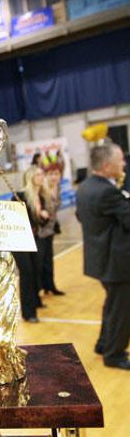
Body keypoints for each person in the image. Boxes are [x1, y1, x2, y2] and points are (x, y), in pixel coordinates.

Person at [76, 143, 130, 370]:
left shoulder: (85, 187)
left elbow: (80, 216)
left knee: (113, 306)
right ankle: (114, 355)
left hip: (101, 258)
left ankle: (103, 344)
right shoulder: (107, 191)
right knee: (122, 310)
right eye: (120, 160)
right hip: (116, 262)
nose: (124, 164)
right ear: (107, 166)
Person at [13, 166, 48, 323]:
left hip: (34, 238)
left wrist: (43, 216)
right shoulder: (20, 196)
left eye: (42, 174)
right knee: (27, 274)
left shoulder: (41, 197)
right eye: (38, 174)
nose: (41, 177)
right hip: (20, 241)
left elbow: (41, 222)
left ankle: (35, 301)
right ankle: (28, 312)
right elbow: (15, 217)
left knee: (36, 271)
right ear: (31, 177)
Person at [41, 163, 65, 295]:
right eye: (51, 174)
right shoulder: (41, 189)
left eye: (57, 174)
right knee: (41, 261)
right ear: (46, 175)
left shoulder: (58, 187)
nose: (54, 177)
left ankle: (50, 286)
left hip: (50, 229)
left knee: (49, 259)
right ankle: (42, 287)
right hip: (40, 230)